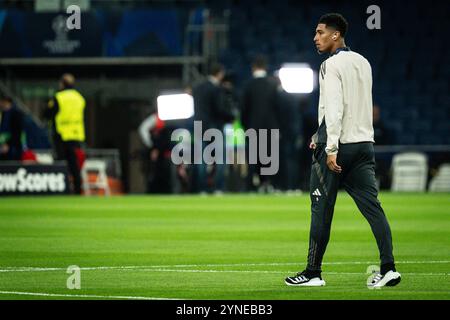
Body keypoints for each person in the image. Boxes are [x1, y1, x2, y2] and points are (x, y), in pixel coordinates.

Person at [284, 13, 401, 288]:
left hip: (338, 146)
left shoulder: (330, 65)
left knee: (320, 208)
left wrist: (331, 146)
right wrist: (320, 134)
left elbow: (335, 107)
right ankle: (388, 268)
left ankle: (313, 272)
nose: (315, 38)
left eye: (320, 32)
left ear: (335, 35)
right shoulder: (364, 62)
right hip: (364, 144)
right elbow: (355, 105)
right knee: (373, 208)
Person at [192, 63, 234, 193]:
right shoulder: (217, 89)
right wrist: (231, 117)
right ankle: (217, 188)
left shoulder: (197, 88)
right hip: (214, 127)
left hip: (199, 126)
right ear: (220, 73)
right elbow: (219, 109)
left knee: (201, 161)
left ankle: (202, 189)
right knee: (220, 159)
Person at [240, 56, 281, 193]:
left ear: (253, 68)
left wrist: (246, 126)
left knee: (253, 157)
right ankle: (269, 184)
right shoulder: (273, 85)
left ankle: (251, 185)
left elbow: (243, 109)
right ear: (265, 67)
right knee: (269, 156)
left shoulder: (248, 85)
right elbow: (278, 108)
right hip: (270, 127)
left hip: (253, 127)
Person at [43, 73, 86, 194]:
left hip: (61, 134)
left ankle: (62, 188)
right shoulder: (79, 97)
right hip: (76, 135)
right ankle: (78, 189)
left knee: (61, 163)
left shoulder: (59, 96)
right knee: (74, 164)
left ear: (62, 83)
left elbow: (48, 114)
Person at [0, 94, 25, 161]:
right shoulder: (4, 113)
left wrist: (8, 144)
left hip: (13, 147)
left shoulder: (16, 113)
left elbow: (17, 132)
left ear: (6, 102)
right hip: (4, 145)